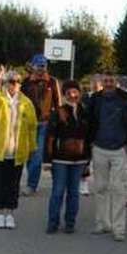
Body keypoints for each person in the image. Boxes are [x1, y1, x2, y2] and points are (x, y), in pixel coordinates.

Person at [88, 71, 127, 242]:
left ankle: (119, 228)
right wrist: (91, 143)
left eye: (111, 80)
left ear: (116, 82)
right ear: (102, 82)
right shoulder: (95, 99)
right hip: (99, 148)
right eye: (106, 81)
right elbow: (88, 121)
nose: (109, 83)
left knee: (118, 190)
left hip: (119, 150)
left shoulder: (126, 100)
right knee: (101, 188)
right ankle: (103, 223)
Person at [43, 80, 90, 234]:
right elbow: (50, 137)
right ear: (64, 95)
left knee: (74, 192)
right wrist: (47, 160)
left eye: (75, 92)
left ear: (79, 93)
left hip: (79, 160)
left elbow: (88, 138)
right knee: (57, 191)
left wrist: (88, 161)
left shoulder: (85, 112)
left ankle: (70, 222)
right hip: (60, 159)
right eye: (69, 92)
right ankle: (53, 222)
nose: (72, 95)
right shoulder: (58, 112)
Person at [0, 71, 37, 229]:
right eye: (10, 81)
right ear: (5, 83)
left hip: (17, 152)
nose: (14, 84)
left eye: (17, 82)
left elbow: (32, 128)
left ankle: (10, 214)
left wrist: (32, 147)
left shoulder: (26, 103)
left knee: (13, 184)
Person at [21, 54, 61, 195]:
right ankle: (31, 183)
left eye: (43, 66)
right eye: (38, 66)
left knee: (37, 156)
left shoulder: (52, 82)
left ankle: (31, 185)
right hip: (28, 124)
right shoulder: (25, 82)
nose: (41, 69)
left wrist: (58, 122)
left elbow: (58, 104)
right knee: (30, 155)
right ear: (33, 66)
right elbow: (20, 102)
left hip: (45, 124)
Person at [80, 74, 104, 196]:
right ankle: (84, 185)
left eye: (98, 83)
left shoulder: (105, 98)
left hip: (101, 134)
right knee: (86, 161)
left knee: (100, 162)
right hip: (87, 133)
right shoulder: (85, 97)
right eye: (93, 83)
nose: (95, 85)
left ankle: (100, 187)